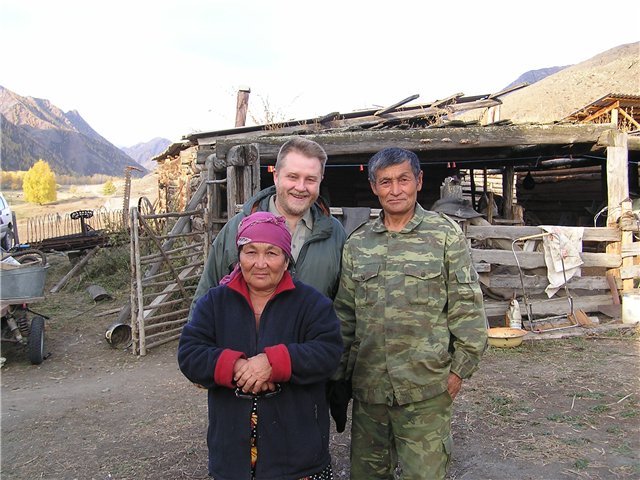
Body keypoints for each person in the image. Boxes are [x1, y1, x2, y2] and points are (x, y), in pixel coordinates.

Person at [331, 147, 488, 479]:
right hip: (370, 390)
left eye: (403, 179)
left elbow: (467, 308)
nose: (395, 190)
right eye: (385, 182)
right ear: (374, 186)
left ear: (418, 181)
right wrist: (338, 379)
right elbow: (345, 316)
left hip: (426, 389)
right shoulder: (358, 244)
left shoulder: (444, 235)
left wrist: (459, 371)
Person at [178, 211, 343, 479]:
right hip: (232, 457)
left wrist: (273, 364)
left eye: (272, 253)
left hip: (299, 457)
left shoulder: (311, 304)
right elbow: (189, 354)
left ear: (286, 260)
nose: (260, 263)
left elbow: (329, 352)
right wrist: (236, 367)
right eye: (251, 252)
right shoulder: (215, 302)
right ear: (239, 256)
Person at [189, 137, 346, 321]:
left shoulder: (335, 233)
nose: (300, 187)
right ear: (276, 176)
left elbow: (343, 309)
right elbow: (204, 301)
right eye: (292, 177)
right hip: (245, 340)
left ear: (320, 181)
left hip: (311, 340)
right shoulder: (238, 228)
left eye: (310, 179)